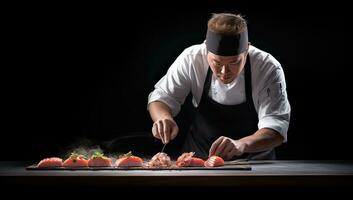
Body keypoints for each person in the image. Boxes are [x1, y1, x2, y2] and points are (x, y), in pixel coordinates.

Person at [147, 13, 290, 160]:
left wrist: (241, 144)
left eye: (234, 62)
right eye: (217, 62)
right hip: (199, 158)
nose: (224, 72)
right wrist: (164, 118)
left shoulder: (268, 67)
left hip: (256, 162)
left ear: (247, 50)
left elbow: (276, 129)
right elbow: (161, 98)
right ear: (206, 50)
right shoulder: (192, 58)